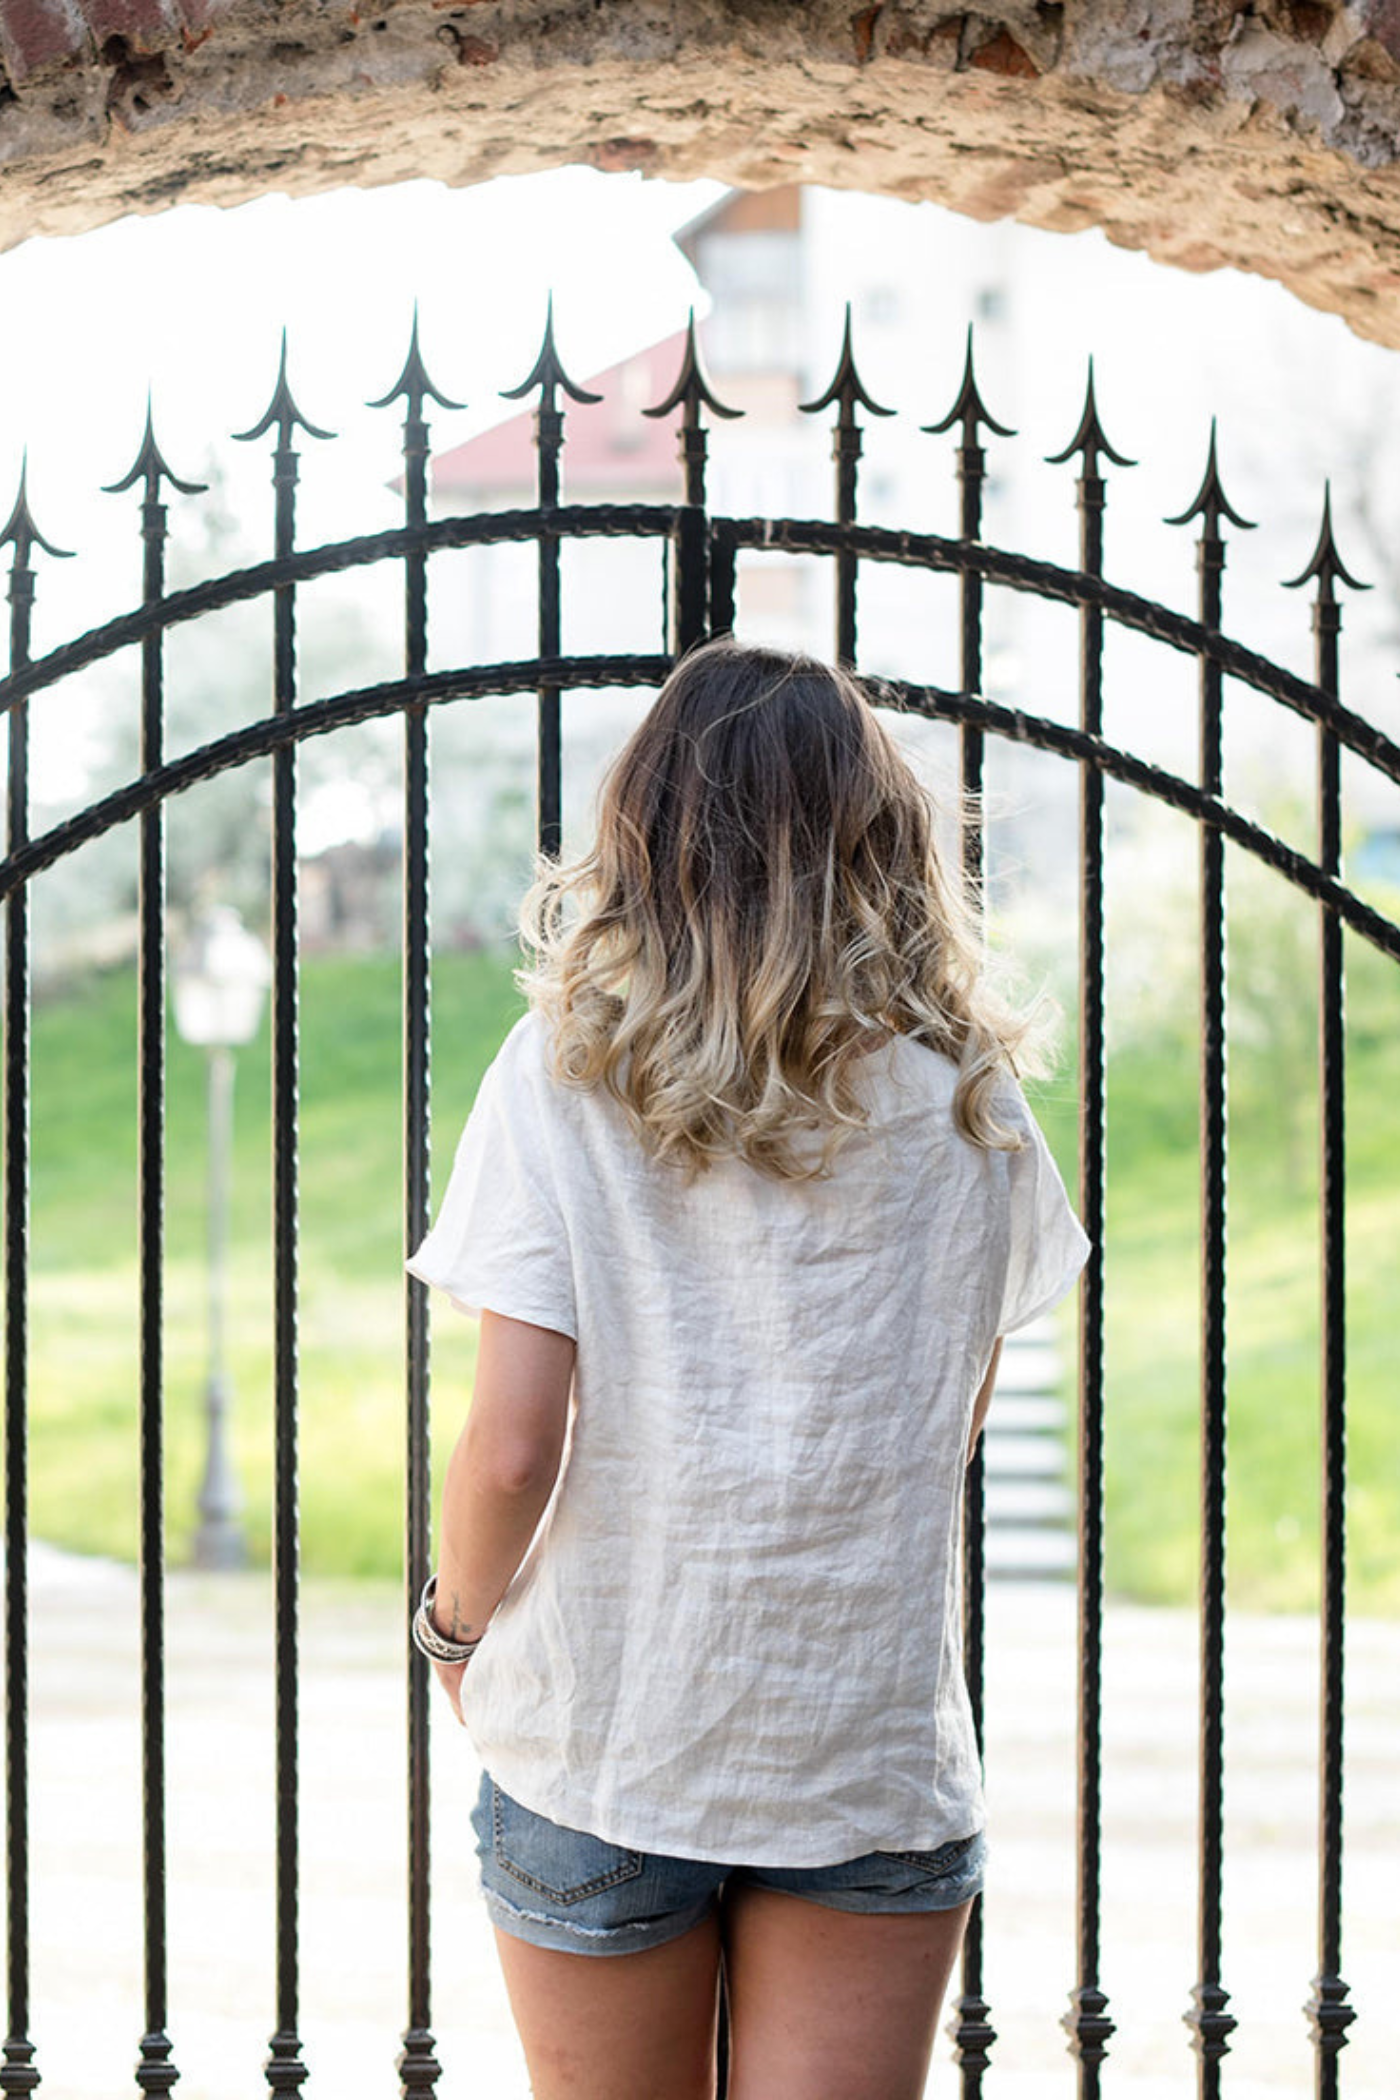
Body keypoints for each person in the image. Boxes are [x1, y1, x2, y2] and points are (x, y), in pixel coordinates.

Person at [405, 636, 1089, 2100]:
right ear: (881, 831)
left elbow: (513, 1447)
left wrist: (455, 1635)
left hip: (610, 1735)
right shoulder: (969, 1095)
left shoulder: (565, 1073)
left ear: (646, 827)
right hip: (862, 1744)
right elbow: (946, 1417)